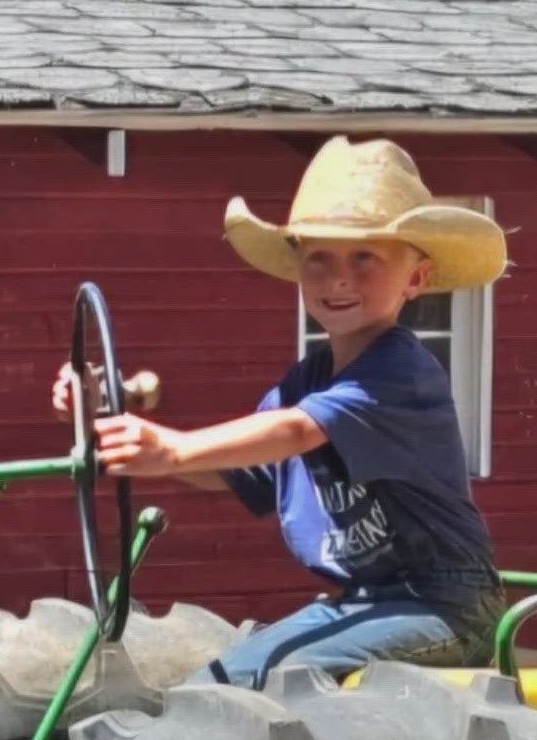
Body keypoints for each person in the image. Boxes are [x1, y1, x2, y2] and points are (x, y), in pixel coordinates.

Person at [53, 135, 509, 689]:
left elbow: (294, 431)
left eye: (365, 256)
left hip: (444, 605)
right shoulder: (309, 378)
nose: (338, 277)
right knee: (214, 684)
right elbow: (238, 472)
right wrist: (110, 426)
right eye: (319, 257)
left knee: (244, 686)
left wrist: (171, 448)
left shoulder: (400, 371)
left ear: (416, 278)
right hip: (365, 601)